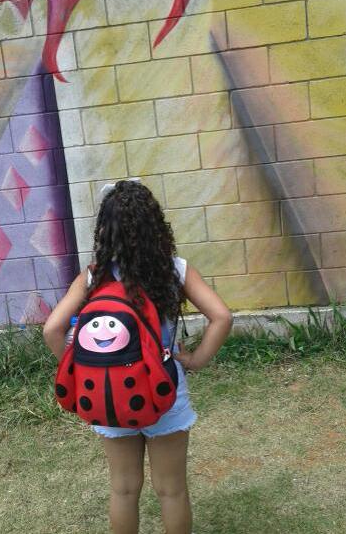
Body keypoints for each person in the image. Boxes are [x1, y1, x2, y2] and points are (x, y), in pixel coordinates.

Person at [43, 180, 232, 534]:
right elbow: (221, 317)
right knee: (171, 490)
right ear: (154, 224)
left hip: (110, 393)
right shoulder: (174, 270)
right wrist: (195, 360)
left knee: (124, 489)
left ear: (105, 230)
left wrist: (81, 369)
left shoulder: (93, 277)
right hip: (164, 391)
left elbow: (52, 329)